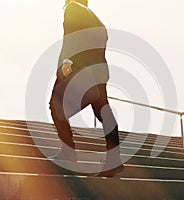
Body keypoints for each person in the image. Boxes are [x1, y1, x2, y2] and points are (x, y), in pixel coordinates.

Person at [49, 0, 124, 177]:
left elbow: (71, 34)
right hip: (99, 72)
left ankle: (68, 153)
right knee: (103, 112)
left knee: (56, 104)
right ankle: (114, 160)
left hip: (80, 70)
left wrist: (67, 60)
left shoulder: (72, 8)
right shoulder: (98, 21)